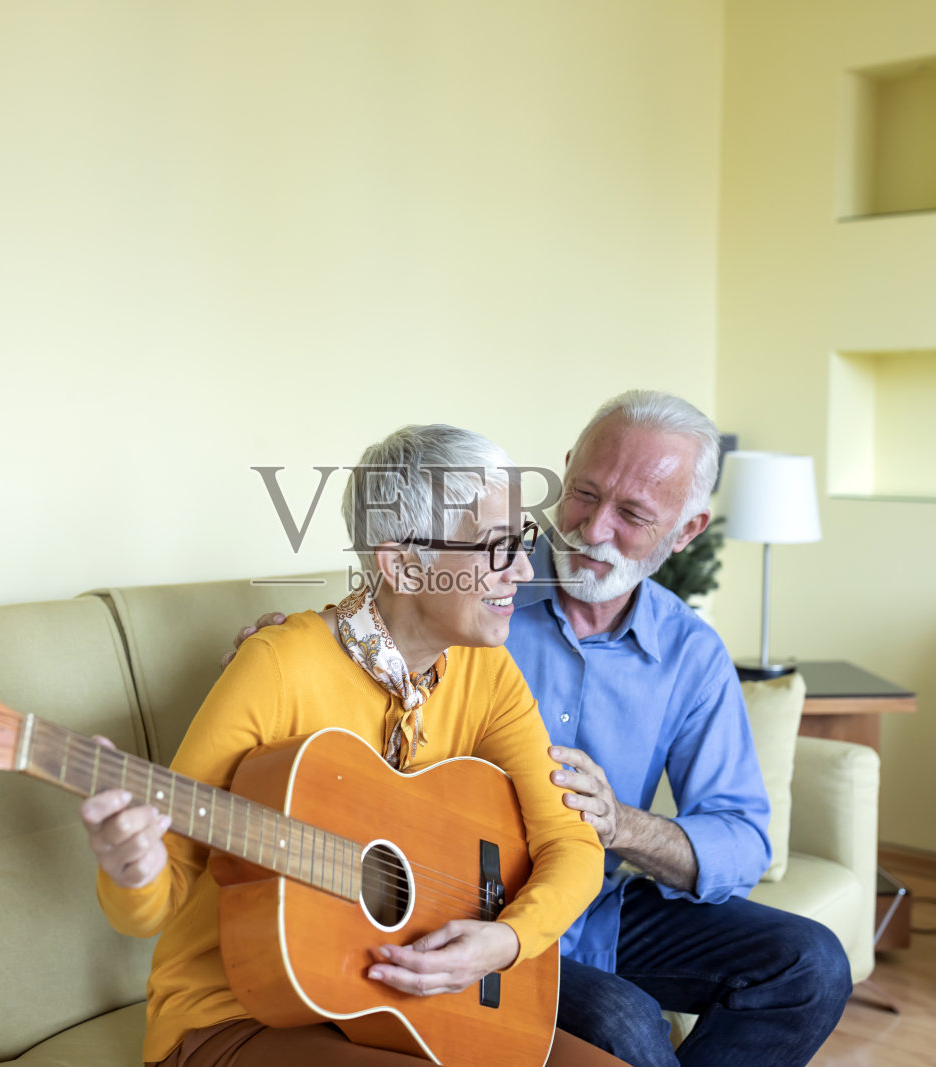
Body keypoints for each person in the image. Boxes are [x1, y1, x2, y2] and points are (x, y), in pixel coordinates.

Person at [230, 391, 852, 1066]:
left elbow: (743, 839)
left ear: (688, 530)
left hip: (601, 900)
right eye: (583, 493)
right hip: (454, 895)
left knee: (811, 964)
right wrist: (300, 654)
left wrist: (622, 825)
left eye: (634, 513)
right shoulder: (474, 602)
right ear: (566, 469)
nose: (594, 528)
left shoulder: (690, 653)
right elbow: (383, 621)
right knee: (625, 1022)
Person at [80, 424, 620, 1067]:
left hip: (405, 1005)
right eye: (496, 548)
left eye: (521, 541)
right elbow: (159, 893)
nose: (525, 571)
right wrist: (132, 869)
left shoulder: (490, 675)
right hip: (240, 1012)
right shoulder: (278, 666)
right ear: (402, 562)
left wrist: (506, 941)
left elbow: (571, 842)